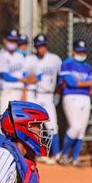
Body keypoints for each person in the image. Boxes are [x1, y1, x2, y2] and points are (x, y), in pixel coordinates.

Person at [23, 34, 62, 164]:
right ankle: (38, 154)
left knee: (52, 125)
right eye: (39, 46)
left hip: (49, 95)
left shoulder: (55, 59)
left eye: (43, 45)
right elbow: (24, 79)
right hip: (34, 94)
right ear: (35, 47)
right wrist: (31, 79)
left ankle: (56, 154)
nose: (41, 48)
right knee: (34, 127)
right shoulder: (30, 60)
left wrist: (58, 93)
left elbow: (61, 78)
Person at [58, 40, 92, 167]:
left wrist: (81, 83)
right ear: (73, 51)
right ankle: (63, 154)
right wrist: (84, 83)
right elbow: (71, 83)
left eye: (83, 51)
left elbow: (91, 86)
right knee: (75, 127)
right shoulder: (67, 64)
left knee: (81, 130)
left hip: (85, 98)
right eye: (79, 51)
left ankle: (75, 157)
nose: (81, 53)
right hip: (71, 97)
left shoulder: (87, 67)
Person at [0, 29, 32, 146]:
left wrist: (25, 89)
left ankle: (13, 149)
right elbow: (5, 76)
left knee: (16, 123)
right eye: (11, 40)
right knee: (4, 121)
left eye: (15, 41)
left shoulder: (19, 56)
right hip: (7, 91)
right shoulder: (1, 55)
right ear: (5, 41)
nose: (13, 43)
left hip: (19, 91)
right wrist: (21, 80)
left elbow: (25, 74)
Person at [18, 34, 36, 102]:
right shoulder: (15, 59)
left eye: (25, 44)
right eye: (21, 44)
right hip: (18, 90)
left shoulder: (31, 58)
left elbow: (33, 77)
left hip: (29, 90)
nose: (23, 47)